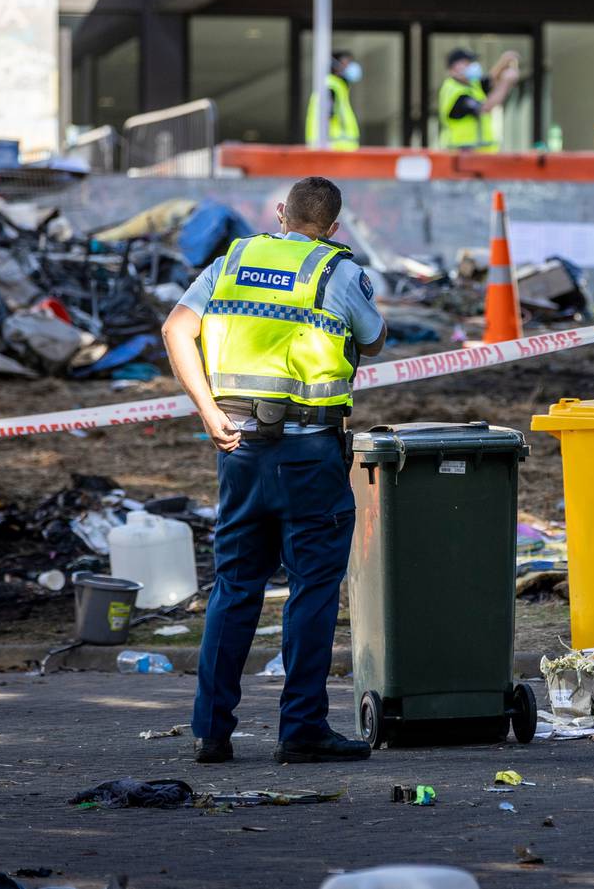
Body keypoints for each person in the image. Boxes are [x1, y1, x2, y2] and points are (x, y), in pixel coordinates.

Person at [162, 176, 387, 765]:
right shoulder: (337, 271)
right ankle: (302, 730)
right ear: (333, 227)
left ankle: (211, 732)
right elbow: (376, 337)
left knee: (234, 588)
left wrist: (208, 410)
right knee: (312, 590)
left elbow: (175, 329)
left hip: (237, 448)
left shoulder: (230, 261)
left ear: (281, 212)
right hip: (310, 453)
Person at [438, 48, 521, 152]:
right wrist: (505, 82)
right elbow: (485, 108)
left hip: (478, 153)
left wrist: (503, 62)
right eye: (468, 63)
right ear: (455, 67)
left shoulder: (471, 85)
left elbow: (489, 79)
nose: (472, 66)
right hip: (461, 153)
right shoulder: (454, 91)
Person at [304, 51, 361, 151]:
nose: (350, 67)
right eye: (346, 63)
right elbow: (326, 115)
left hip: (335, 148)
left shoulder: (336, 86)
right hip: (332, 148)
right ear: (335, 65)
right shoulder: (331, 86)